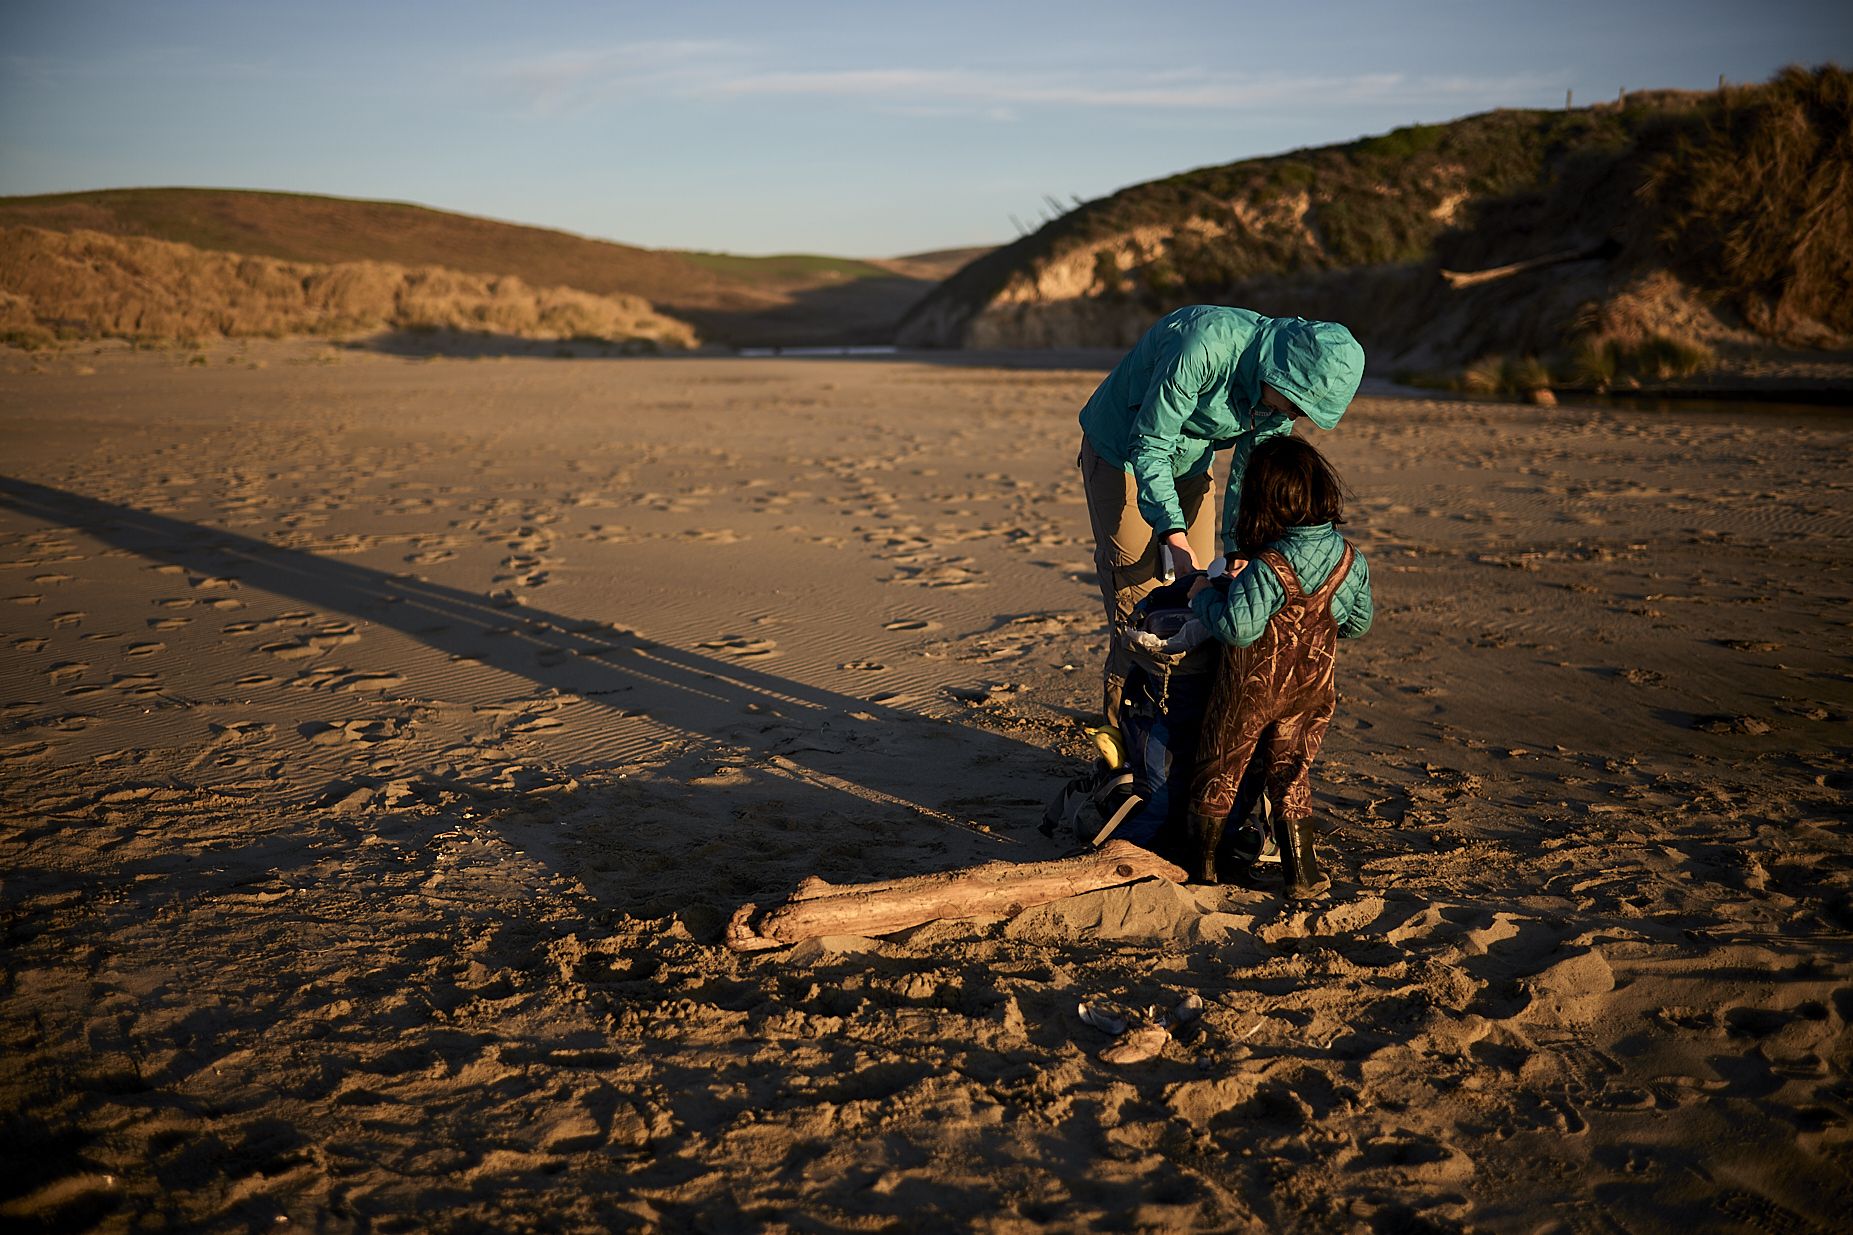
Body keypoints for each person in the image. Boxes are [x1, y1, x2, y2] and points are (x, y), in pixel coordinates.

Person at [1078, 304, 1364, 730]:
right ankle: (1123, 739)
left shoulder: (1278, 400)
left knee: (1201, 591)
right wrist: (1173, 536)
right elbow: (1150, 445)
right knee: (1138, 597)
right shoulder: (1203, 348)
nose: (1294, 417)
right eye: (1297, 405)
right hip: (1123, 452)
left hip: (1191, 461)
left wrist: (1239, 547)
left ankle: (1180, 728)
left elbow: (1251, 471)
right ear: (1279, 373)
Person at [1181, 435, 1372, 898]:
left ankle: (1202, 868)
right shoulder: (1350, 560)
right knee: (1291, 771)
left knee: (1220, 765)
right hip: (1311, 690)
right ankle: (1302, 873)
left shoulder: (1268, 566)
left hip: (1252, 689)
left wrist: (1203, 596)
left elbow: (1239, 629)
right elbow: (1358, 624)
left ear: (1265, 501)